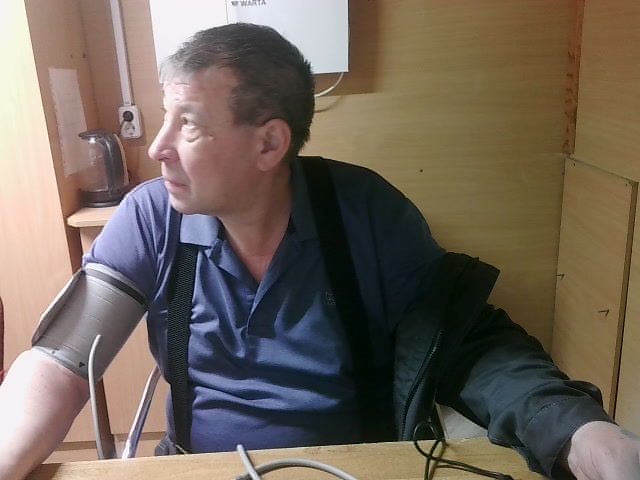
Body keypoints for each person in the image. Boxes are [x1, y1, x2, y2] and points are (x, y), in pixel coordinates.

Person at [0, 22, 639, 480]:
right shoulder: (150, 215)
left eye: (187, 123)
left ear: (269, 144)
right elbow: (60, 362)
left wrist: (579, 431)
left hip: (351, 468)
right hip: (201, 467)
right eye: (164, 117)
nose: (158, 147)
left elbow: (469, 347)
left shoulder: (367, 213)